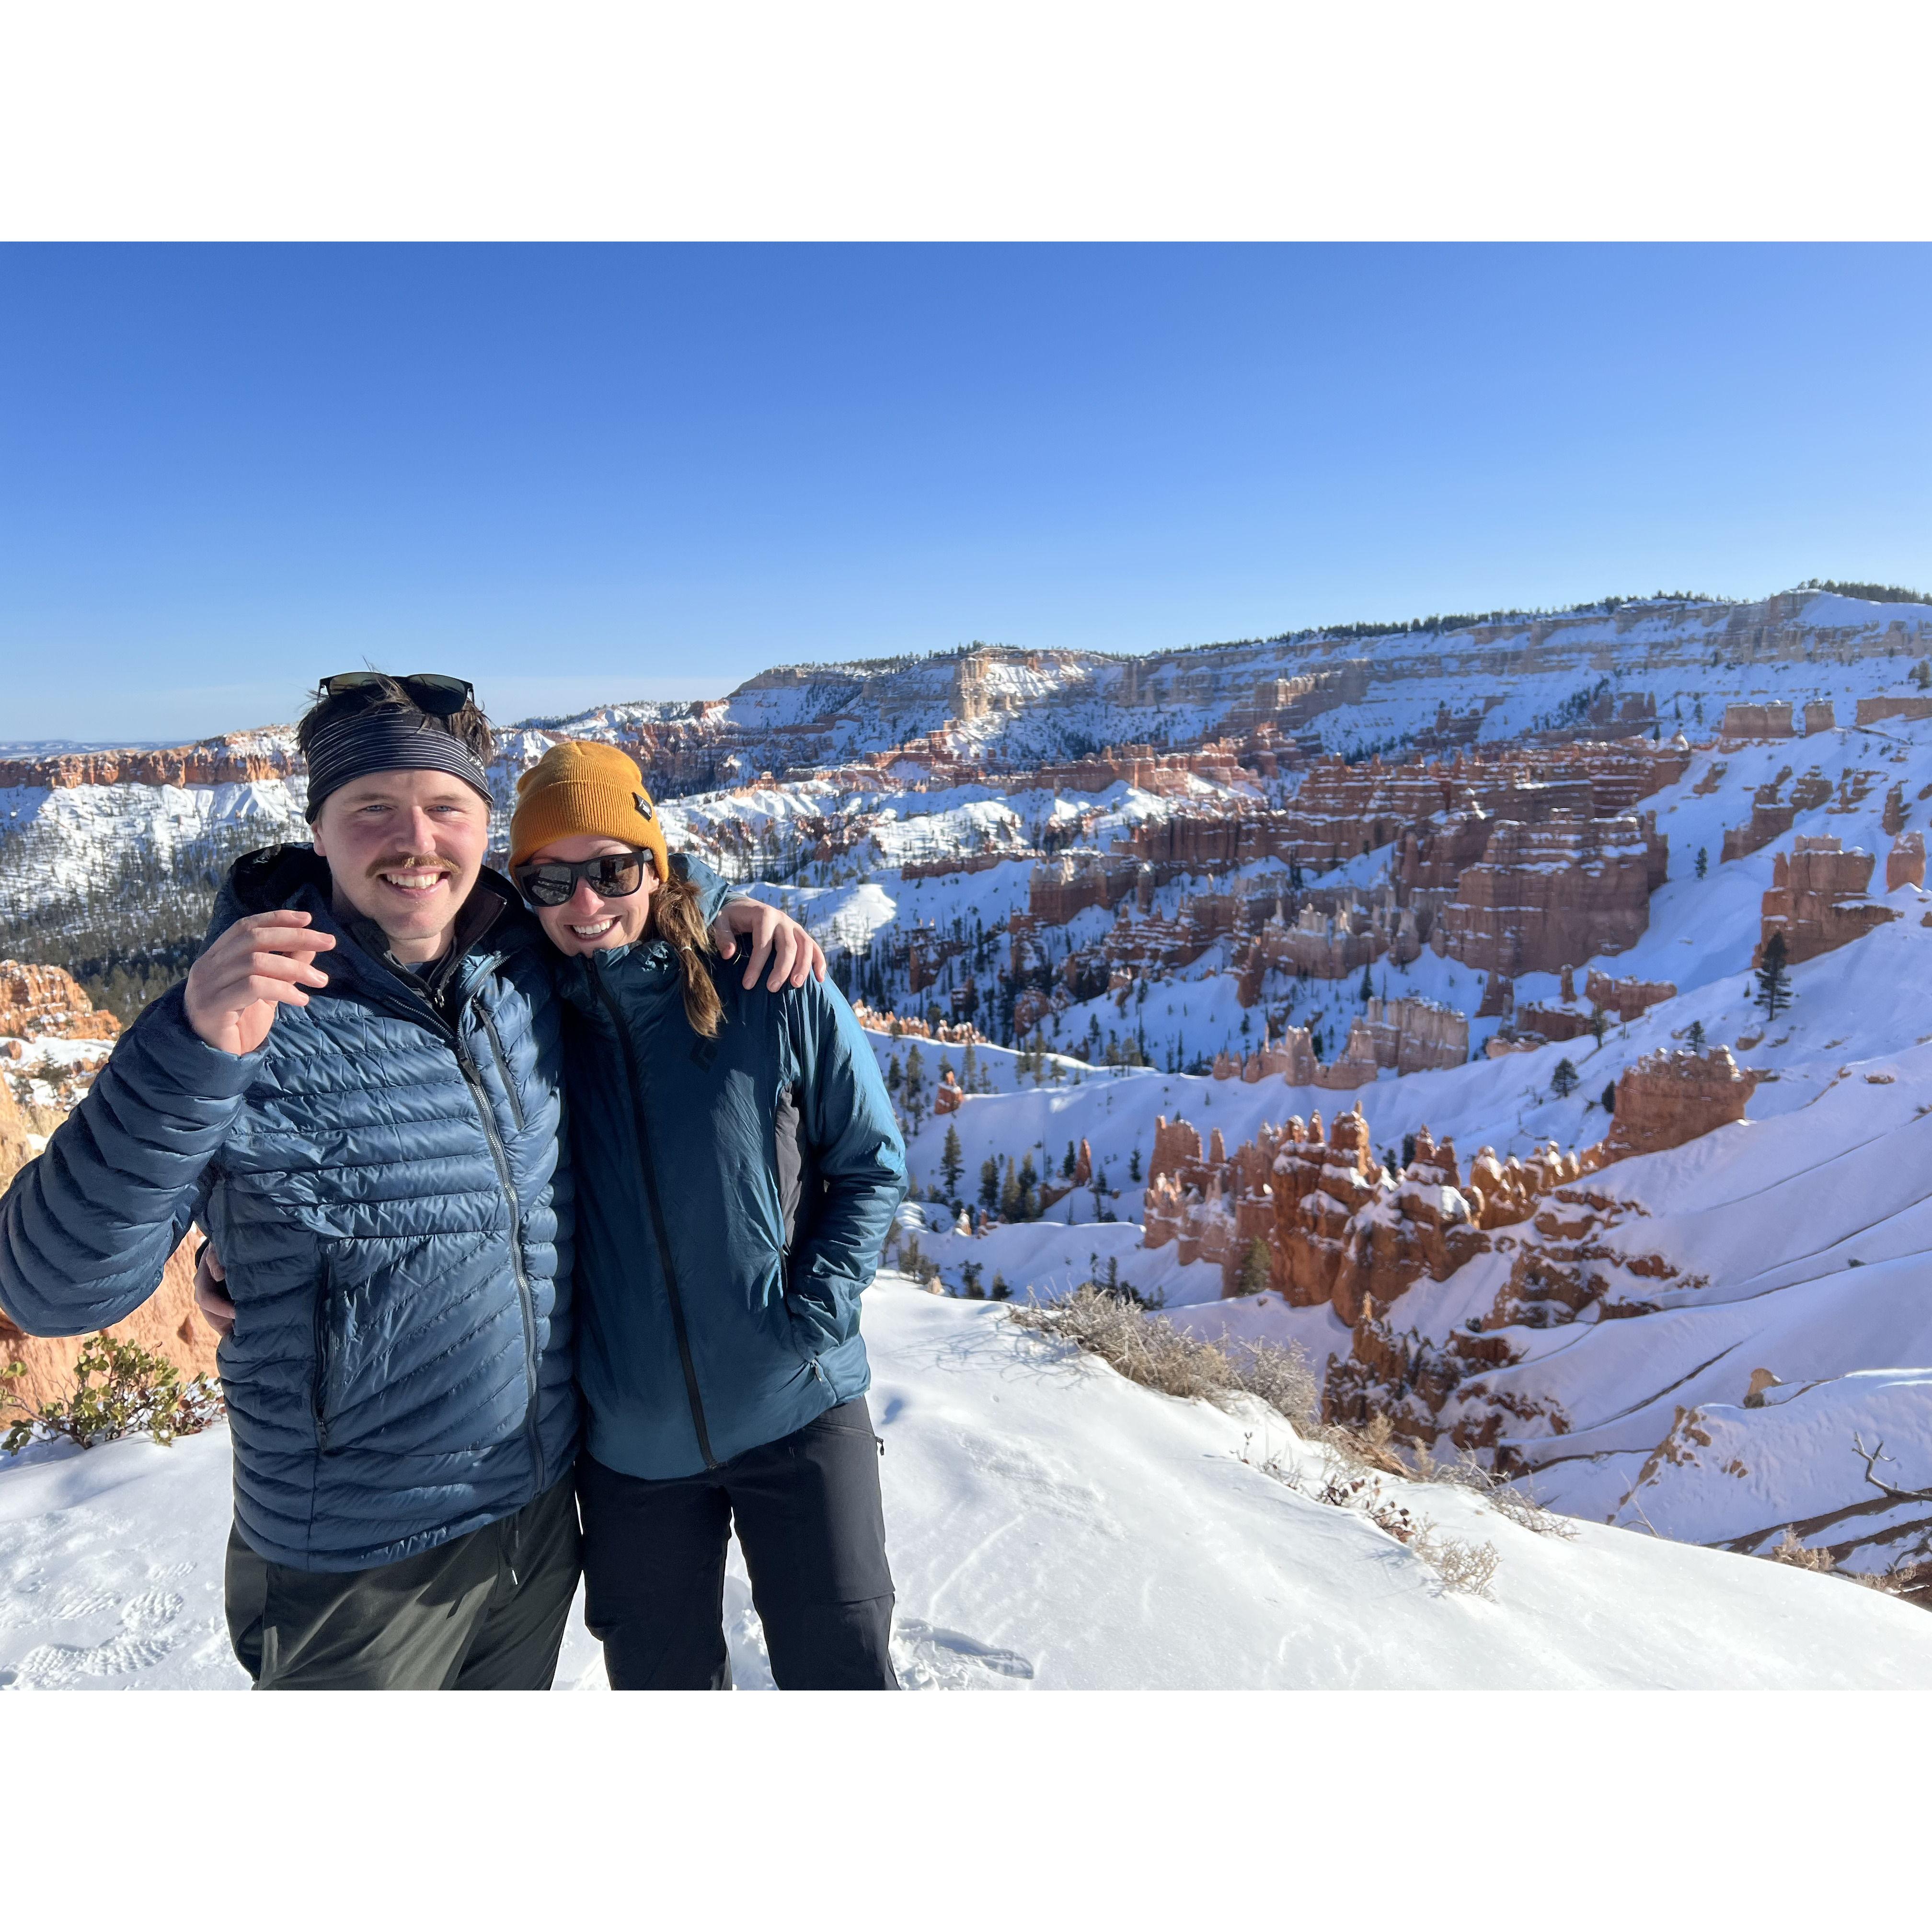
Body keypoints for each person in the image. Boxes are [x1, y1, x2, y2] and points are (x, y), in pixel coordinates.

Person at [0, 672, 821, 1690]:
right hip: (356, 1562)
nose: (415, 841)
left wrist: (726, 908)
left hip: (535, 1525)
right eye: (372, 808)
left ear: (484, 827)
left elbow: (610, 884)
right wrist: (188, 1048)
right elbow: (51, 1291)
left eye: (445, 808)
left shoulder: (521, 958)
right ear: (318, 829)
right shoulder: (243, 1013)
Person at [510, 740, 906, 1689]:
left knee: (845, 1678)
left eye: (613, 870)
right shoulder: (523, 1022)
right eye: (551, 881)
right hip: (631, 1448)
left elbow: (870, 1164)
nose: (585, 903)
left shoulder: (768, 982)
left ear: (656, 866)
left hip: (798, 1408)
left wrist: (812, 1317)